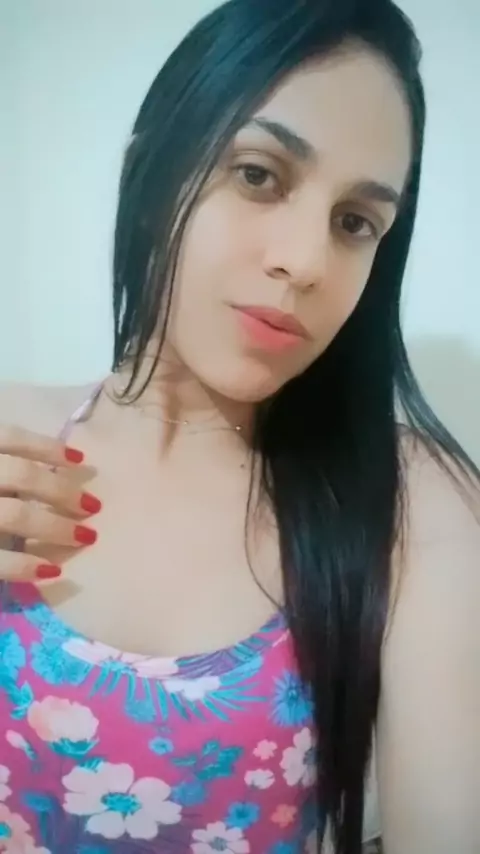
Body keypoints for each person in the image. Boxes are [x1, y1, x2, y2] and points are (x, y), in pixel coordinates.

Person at [0, 0, 478, 852]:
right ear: (150, 175)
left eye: (355, 222)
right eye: (259, 175)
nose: (306, 261)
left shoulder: (412, 507)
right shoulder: (11, 440)